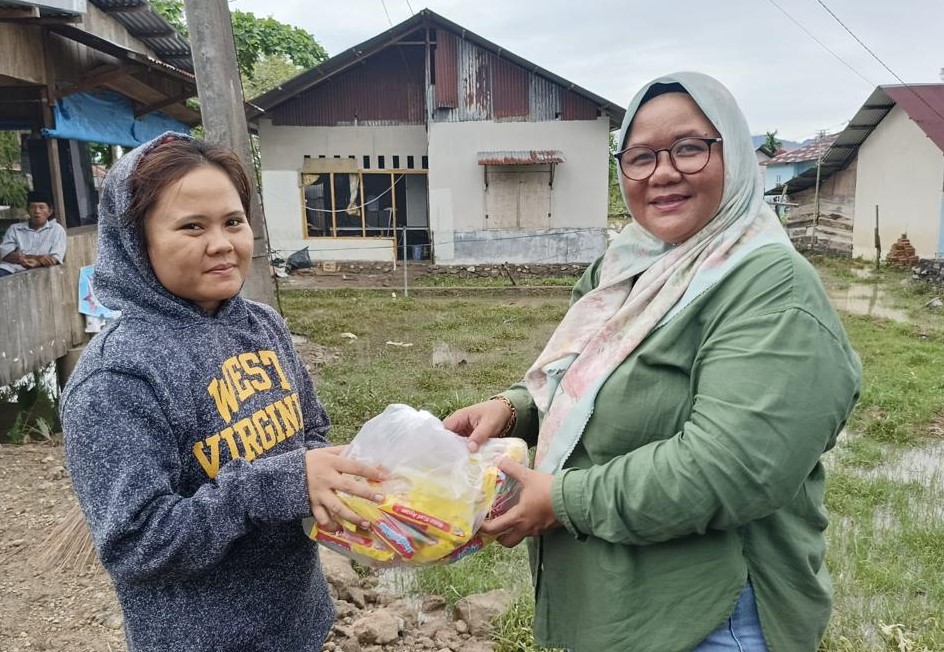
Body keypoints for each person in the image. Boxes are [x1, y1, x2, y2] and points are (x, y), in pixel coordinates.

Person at [444, 72, 861, 652]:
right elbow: (583, 373)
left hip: (708, 616)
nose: (662, 172)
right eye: (639, 157)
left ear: (735, 155)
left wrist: (561, 499)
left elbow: (731, 468)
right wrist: (513, 410)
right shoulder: (625, 268)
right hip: (616, 603)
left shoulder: (768, 285)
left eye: (690, 148)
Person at [60, 133, 386, 652]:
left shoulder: (263, 326)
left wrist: (356, 479)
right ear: (134, 241)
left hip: (297, 620)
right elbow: (137, 544)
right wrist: (275, 485)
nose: (222, 244)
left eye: (233, 222)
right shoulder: (117, 377)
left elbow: (310, 436)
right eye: (192, 227)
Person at [0, 192, 67, 277]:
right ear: (28, 210)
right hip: (11, 268)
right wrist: (36, 258)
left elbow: (55, 259)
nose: (37, 211)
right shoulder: (15, 229)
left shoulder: (57, 230)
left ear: (49, 212)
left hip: (41, 271)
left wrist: (38, 263)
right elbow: (5, 254)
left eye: (41, 207)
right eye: (33, 207)